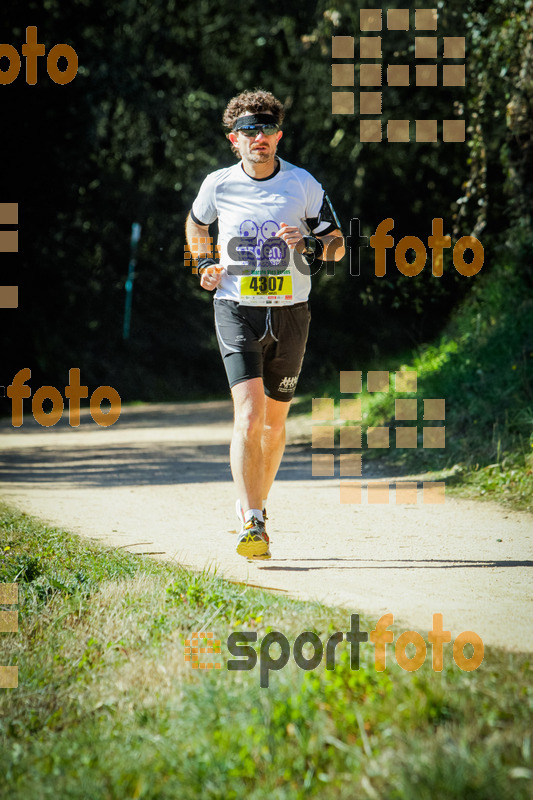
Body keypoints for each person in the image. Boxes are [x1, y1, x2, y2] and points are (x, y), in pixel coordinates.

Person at [186, 89, 344, 560]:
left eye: (267, 130)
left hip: (292, 312)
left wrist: (311, 245)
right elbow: (197, 227)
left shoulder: (303, 184)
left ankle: (255, 504)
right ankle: (252, 521)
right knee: (249, 415)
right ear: (235, 140)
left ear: (279, 135)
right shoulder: (218, 185)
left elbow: (337, 244)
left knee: (275, 427)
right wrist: (204, 266)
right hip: (237, 308)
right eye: (249, 131)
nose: (259, 138)